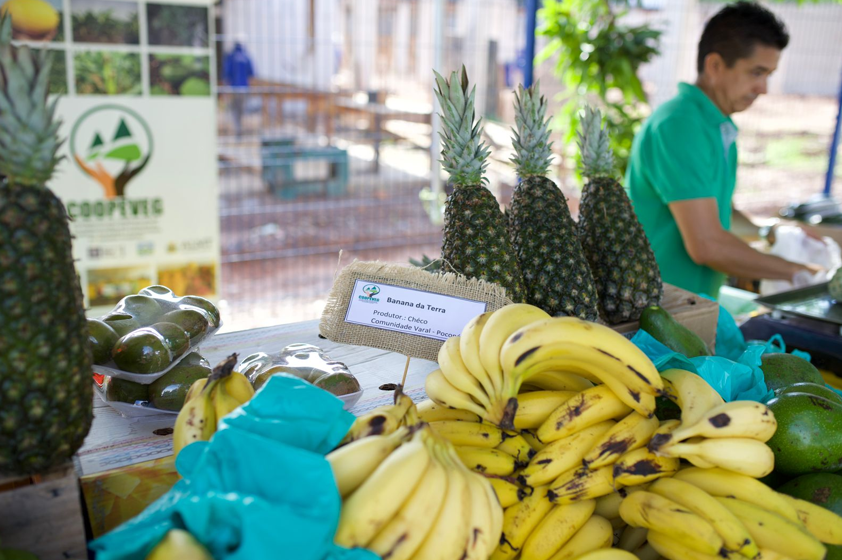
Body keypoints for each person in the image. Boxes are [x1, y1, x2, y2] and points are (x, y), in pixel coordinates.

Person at [626, 2, 821, 298]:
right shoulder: (679, 125)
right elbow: (706, 244)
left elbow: (717, 213)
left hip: (691, 306)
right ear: (715, 65)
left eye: (768, 74)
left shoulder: (716, 124)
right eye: (756, 72)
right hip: (656, 311)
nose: (764, 88)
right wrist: (800, 272)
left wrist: (770, 231)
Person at [223, 41, 255, 138]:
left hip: (234, 88)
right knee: (242, 108)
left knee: (234, 109)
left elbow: (226, 73)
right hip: (244, 88)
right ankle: (241, 128)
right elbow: (252, 73)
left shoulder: (231, 57)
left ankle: (237, 129)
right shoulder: (246, 57)